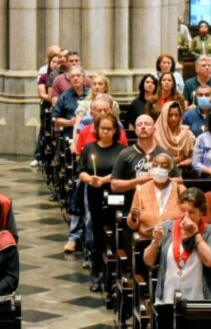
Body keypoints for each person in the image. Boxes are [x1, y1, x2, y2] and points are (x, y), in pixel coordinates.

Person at [143, 187, 211, 303]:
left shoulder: (210, 231)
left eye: (192, 212)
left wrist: (195, 233)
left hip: (198, 300)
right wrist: (155, 242)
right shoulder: (167, 227)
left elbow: (210, 261)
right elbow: (148, 261)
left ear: (202, 212)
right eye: (183, 211)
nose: (186, 217)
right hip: (167, 298)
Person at [77, 112, 122, 290]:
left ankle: (112, 273)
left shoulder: (120, 150)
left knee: (113, 233)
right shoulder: (90, 148)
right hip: (94, 194)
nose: (105, 132)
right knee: (97, 234)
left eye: (109, 129)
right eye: (102, 128)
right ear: (97, 129)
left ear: (114, 130)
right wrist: (89, 179)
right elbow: (80, 169)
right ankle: (97, 273)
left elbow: (120, 173)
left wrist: (104, 180)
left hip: (114, 194)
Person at [127, 153, 184, 235]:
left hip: (172, 240)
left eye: (164, 166)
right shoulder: (141, 190)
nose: (159, 168)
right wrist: (133, 217)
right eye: (155, 165)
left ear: (170, 169)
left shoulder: (180, 189)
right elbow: (133, 225)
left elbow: (186, 217)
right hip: (147, 239)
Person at [154, 101, 194, 170]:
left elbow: (194, 157)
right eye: (170, 115)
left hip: (183, 171)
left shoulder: (187, 133)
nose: (173, 118)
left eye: (176, 115)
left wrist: (185, 162)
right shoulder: (155, 134)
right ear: (164, 116)